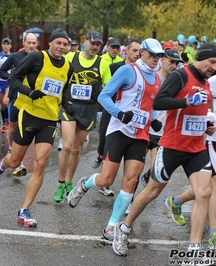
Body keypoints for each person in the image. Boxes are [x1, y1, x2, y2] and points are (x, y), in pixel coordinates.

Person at [110, 43, 216, 257]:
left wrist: (207, 125)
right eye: (212, 62)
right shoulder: (181, 75)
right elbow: (159, 102)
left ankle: (194, 250)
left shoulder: (205, 82)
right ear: (201, 58)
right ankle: (123, 228)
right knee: (152, 191)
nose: (215, 67)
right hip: (172, 146)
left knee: (204, 193)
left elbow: (195, 113)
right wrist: (187, 100)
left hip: (196, 148)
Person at [67, 38, 164, 245]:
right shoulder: (127, 71)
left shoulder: (157, 79)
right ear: (142, 53)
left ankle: (110, 227)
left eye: (159, 56)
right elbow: (104, 96)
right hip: (119, 131)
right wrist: (119, 114)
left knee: (130, 181)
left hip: (140, 135)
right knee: (107, 180)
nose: (157, 59)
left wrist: (154, 119)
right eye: (153, 55)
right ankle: (85, 184)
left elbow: (153, 105)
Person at [0, 28, 74, 227]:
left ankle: (24, 210)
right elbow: (12, 79)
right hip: (28, 115)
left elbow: (64, 91)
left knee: (40, 163)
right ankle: (3, 165)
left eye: (65, 44)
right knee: (15, 160)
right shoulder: (36, 58)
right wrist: (29, 92)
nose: (62, 47)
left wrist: (68, 104)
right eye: (58, 43)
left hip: (49, 120)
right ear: (50, 43)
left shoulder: (68, 66)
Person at [164, 47, 216, 249]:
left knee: (206, 189)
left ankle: (176, 201)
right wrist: (206, 118)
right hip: (215, 140)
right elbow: (199, 93)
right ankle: (214, 234)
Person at [52, 31, 111, 203]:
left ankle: (70, 181)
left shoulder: (102, 64)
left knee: (77, 149)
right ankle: (60, 184)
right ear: (84, 42)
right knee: (67, 146)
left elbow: (108, 87)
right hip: (69, 106)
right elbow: (59, 75)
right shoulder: (70, 57)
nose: (94, 47)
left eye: (98, 45)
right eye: (92, 43)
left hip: (89, 109)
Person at [92, 39, 142, 169]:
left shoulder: (143, 71)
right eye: (134, 50)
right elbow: (105, 91)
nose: (137, 54)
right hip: (111, 109)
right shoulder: (115, 67)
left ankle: (105, 182)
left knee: (117, 147)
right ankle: (100, 155)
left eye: (139, 51)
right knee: (103, 141)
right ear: (127, 51)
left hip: (130, 113)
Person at [139, 49, 184, 187]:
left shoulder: (177, 83)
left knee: (154, 171)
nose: (174, 66)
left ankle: (147, 176)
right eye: (171, 62)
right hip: (145, 130)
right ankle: (130, 200)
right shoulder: (151, 78)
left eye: (177, 64)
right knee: (134, 170)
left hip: (162, 134)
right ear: (162, 60)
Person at [0, 32, 39, 176]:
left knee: (28, 129)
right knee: (13, 128)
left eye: (34, 43)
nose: (31, 46)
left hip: (31, 99)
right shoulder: (15, 57)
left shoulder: (40, 58)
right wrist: (13, 78)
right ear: (24, 43)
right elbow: (0, 71)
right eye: (29, 43)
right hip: (16, 97)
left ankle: (19, 157)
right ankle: (12, 150)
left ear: (37, 44)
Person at [0, 37, 13, 133]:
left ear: (10, 46)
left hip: (9, 83)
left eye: (7, 44)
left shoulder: (13, 56)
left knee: (6, 102)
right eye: (4, 44)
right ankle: (4, 121)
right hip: (0, 82)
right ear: (2, 45)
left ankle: (9, 121)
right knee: (2, 105)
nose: (6, 46)